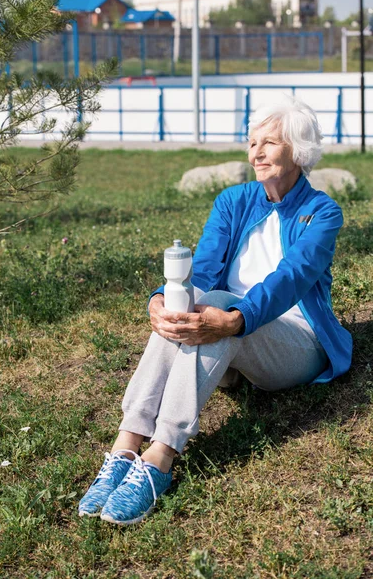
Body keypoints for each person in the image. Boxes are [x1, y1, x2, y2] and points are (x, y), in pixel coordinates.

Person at [78, 96, 352, 525]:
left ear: (297, 151)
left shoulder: (322, 213)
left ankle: (160, 457)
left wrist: (236, 318)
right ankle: (125, 445)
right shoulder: (233, 201)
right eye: (251, 142)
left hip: (297, 342)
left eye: (269, 143)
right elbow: (201, 270)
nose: (255, 153)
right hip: (229, 335)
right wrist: (161, 299)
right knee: (187, 301)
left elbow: (292, 279)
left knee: (221, 305)